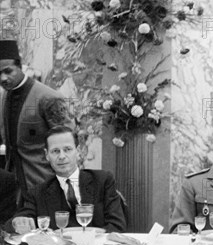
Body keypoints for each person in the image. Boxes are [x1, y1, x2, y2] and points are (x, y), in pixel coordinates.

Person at [6, 125, 126, 234]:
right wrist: (17, 222)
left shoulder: (102, 181)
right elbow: (12, 224)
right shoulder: (38, 193)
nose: (62, 156)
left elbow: (117, 225)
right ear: (47, 155)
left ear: (78, 151)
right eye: (55, 151)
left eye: (67, 149)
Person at [0, 39, 73, 198]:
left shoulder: (48, 98)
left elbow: (68, 144)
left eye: (8, 71)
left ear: (20, 67)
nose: (3, 78)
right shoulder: (5, 96)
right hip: (15, 191)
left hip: (45, 187)